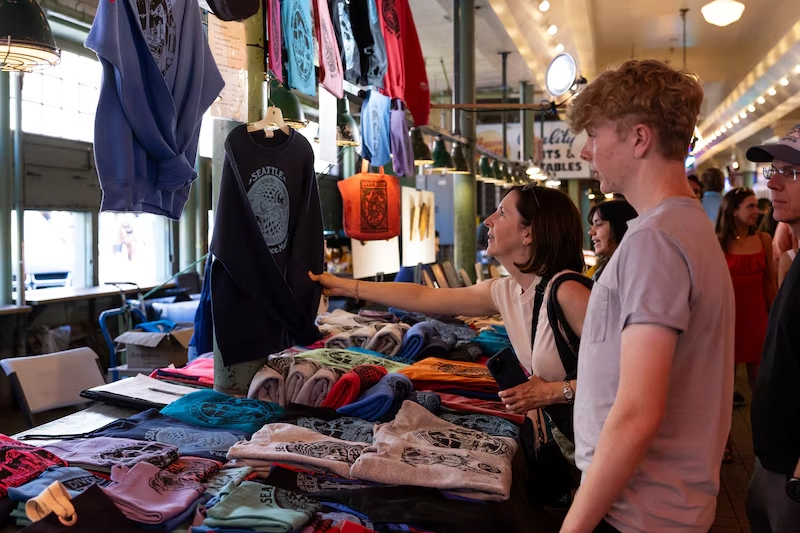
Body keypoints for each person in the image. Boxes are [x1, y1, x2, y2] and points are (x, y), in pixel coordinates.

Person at [563, 59, 734, 533]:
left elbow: (638, 412)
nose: (585, 153)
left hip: (636, 512)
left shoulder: (655, 241)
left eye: (595, 136)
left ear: (639, 139)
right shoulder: (680, 228)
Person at [310, 186, 591, 418]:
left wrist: (551, 392)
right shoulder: (506, 290)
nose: (488, 220)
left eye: (502, 212)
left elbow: (631, 379)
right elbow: (424, 297)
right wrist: (343, 286)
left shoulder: (568, 291)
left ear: (529, 233)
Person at [743, 126, 800, 532]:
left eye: (793, 173)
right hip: (770, 463)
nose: (774, 181)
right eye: (773, 170)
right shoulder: (794, 259)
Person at [715, 187, 777, 464]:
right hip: (727, 323)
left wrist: (775, 320)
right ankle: (722, 443)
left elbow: (770, 285)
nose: (757, 211)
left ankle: (767, 442)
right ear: (733, 210)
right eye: (750, 206)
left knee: (763, 389)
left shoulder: (763, 239)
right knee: (723, 391)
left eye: (756, 206)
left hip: (757, 321)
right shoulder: (717, 242)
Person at [585, 200, 638, 281]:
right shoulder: (599, 269)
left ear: (619, 226)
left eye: (598, 224)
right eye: (592, 226)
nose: (591, 232)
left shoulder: (635, 269)